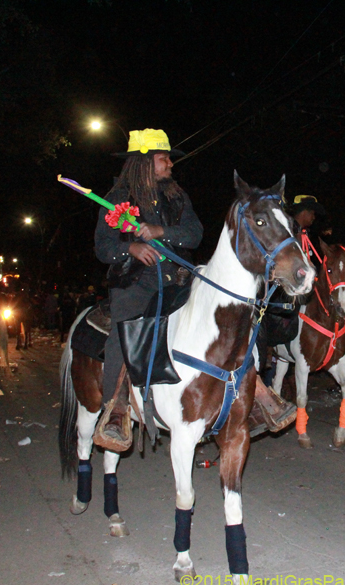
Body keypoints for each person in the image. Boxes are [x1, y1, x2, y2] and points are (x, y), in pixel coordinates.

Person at [95, 128, 203, 442]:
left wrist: (159, 231)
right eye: (163, 158)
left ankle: (245, 394)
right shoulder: (116, 198)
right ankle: (115, 409)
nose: (170, 163)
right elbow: (103, 248)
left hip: (178, 280)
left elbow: (194, 234)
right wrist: (130, 248)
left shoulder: (177, 196)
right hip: (135, 282)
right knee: (123, 329)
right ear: (144, 163)